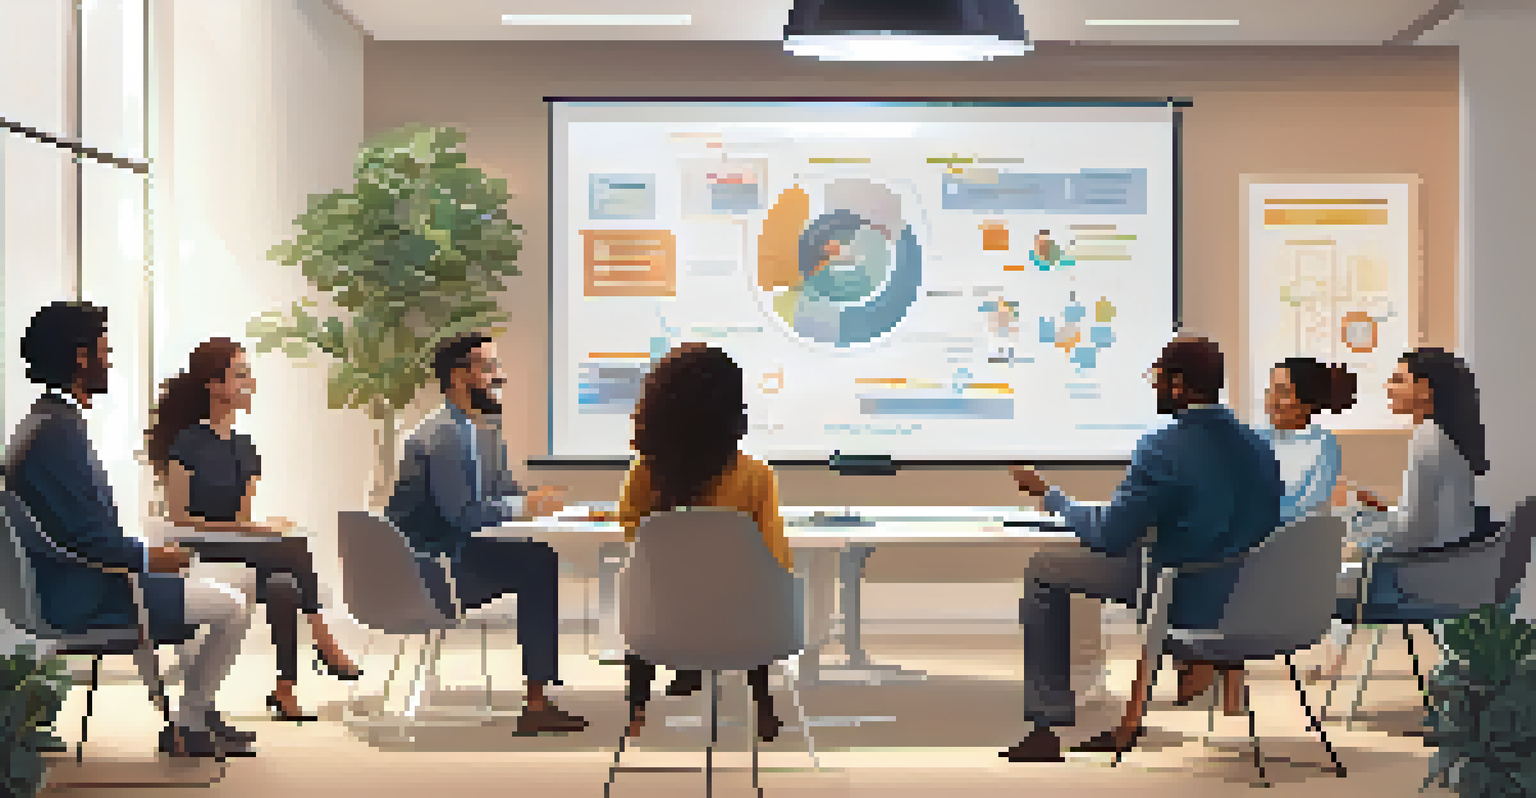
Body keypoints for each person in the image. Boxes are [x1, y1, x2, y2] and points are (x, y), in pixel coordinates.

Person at [1002, 336, 1283, 762]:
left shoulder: (1161, 447)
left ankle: (1046, 725)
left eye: (1156, 378)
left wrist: (1051, 497)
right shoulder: (1260, 447)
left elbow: (1108, 536)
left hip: (1180, 594)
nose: (1153, 387)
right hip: (1250, 598)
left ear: (1178, 384)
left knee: (1044, 569)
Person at [5, 302, 254, 757]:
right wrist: (148, 558)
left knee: (235, 580)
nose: (110, 357)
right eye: (104, 347)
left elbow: (77, 529)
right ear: (81, 357)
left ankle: (192, 713)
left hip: (70, 581)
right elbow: (87, 539)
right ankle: (192, 719)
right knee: (233, 604)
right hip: (87, 594)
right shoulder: (58, 431)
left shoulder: (42, 422)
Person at [145, 337, 362, 721]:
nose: (249, 382)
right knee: (293, 549)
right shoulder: (187, 443)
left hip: (237, 548)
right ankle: (326, 642)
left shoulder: (246, 449)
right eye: (239, 374)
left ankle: (285, 690)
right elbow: (179, 518)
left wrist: (258, 527)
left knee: (285, 584)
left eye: (249, 374)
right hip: (199, 549)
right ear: (212, 385)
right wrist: (250, 527)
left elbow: (243, 518)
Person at [386, 333, 587, 735]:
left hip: (440, 560)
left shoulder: (474, 429)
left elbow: (500, 493)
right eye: (489, 368)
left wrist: (531, 501)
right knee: (537, 562)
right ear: (459, 377)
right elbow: (465, 515)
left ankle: (537, 697)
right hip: (428, 575)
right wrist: (522, 507)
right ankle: (536, 703)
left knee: (535, 555)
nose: (501, 376)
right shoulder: (445, 435)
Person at [616, 342, 792, 742]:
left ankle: (637, 714)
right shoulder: (756, 477)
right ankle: (763, 710)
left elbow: (635, 533)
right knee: (760, 597)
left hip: (659, 622)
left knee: (646, 593)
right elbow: (776, 558)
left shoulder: (645, 474)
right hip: (743, 625)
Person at [1312, 348, 1489, 681]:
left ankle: (1332, 667)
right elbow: (1427, 519)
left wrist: (1361, 537)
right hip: (1451, 566)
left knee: (1330, 578)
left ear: (1426, 390)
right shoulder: (1446, 438)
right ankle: (1332, 665)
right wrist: (1383, 512)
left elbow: (1412, 534)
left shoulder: (1425, 439)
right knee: (1354, 539)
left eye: (1398, 380)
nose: (1389, 388)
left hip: (1424, 575)